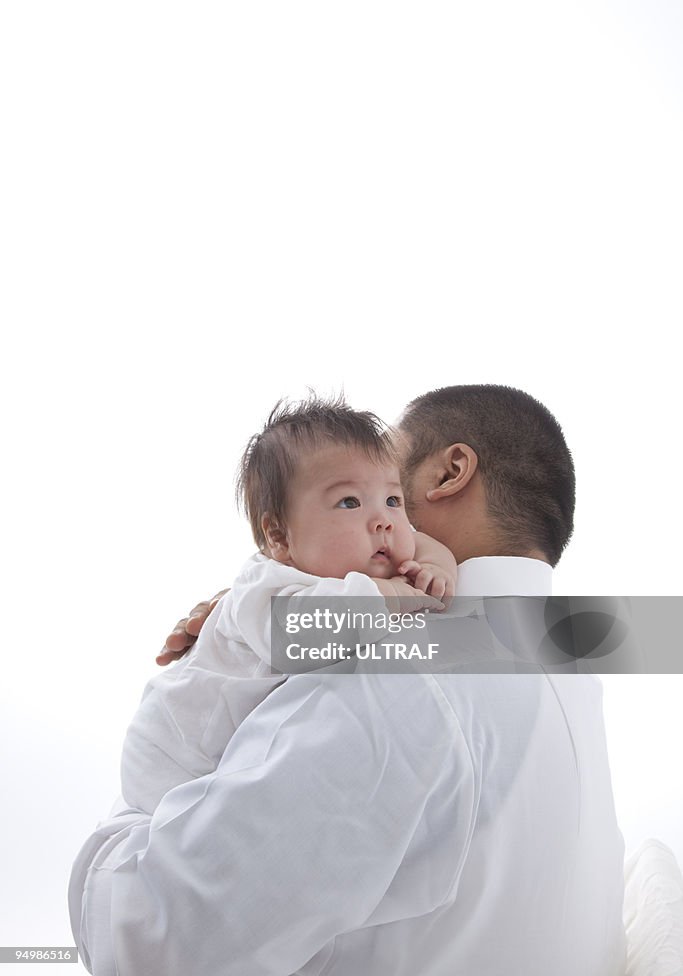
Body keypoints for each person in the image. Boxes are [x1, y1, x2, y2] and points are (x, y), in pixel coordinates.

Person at [69, 384, 627, 976]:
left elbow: (145, 941)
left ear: (450, 473)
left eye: (387, 483)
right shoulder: (572, 681)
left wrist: (141, 805)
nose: (378, 514)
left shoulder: (397, 674)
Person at [121, 396, 456, 813]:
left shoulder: (362, 569)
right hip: (173, 761)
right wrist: (390, 595)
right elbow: (309, 630)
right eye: (350, 502)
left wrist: (435, 567)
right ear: (279, 537)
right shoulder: (265, 585)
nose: (385, 520)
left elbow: (416, 541)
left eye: (393, 500)